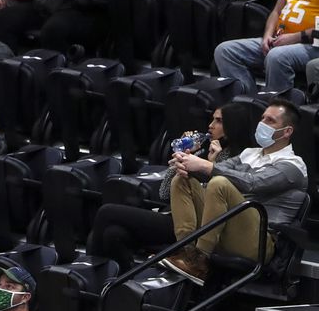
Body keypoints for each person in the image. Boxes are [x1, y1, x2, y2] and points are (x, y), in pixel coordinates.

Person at [160, 99, 308, 285]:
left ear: (287, 131)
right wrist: (187, 162)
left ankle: (200, 260)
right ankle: (187, 252)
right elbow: (216, 168)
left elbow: (252, 183)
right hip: (227, 226)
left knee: (220, 183)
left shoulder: (293, 165)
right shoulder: (250, 153)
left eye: (270, 120)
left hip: (259, 241)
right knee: (182, 181)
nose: (262, 123)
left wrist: (207, 167)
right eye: (262, 118)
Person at [88, 106, 255, 271]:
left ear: (233, 126)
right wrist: (183, 155)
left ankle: (89, 273)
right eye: (212, 119)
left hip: (198, 223)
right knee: (113, 234)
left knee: (107, 212)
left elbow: (221, 195)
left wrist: (212, 164)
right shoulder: (201, 152)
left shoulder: (240, 161)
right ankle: (125, 282)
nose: (210, 125)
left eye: (218, 121)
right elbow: (165, 193)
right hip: (176, 215)